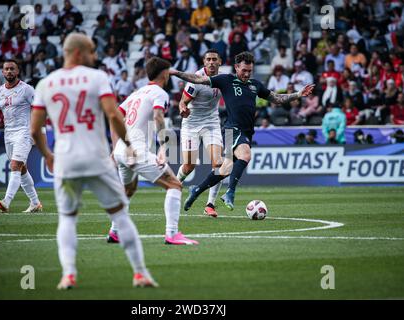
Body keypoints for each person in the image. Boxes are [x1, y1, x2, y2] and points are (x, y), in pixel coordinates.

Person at [30, 33, 157, 289]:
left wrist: (47, 155)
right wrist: (129, 145)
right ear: (78, 53)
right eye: (91, 51)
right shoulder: (97, 78)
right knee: (120, 215)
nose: (95, 56)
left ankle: (68, 275)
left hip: (66, 161)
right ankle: (140, 273)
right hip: (96, 159)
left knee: (67, 218)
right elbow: (113, 114)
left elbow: (35, 129)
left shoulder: (46, 84)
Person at [170, 51, 314, 210]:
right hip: (232, 129)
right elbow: (198, 79)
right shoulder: (226, 80)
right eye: (243, 70)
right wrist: (176, 73)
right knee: (245, 155)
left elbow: (277, 98)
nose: (246, 74)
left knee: (224, 168)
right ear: (236, 67)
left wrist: (298, 94)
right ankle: (230, 193)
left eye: (249, 71)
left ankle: (196, 190)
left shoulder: (255, 85)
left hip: (246, 132)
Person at [108, 56, 198, 246]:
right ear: (165, 74)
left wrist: (114, 147)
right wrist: (163, 148)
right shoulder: (159, 93)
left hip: (121, 152)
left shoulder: (136, 93)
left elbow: (114, 117)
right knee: (174, 185)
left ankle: (115, 232)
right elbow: (158, 116)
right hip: (136, 150)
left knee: (128, 189)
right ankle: (172, 234)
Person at [0, 60, 43, 213]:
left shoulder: (27, 90)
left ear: (18, 71)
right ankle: (35, 203)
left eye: (12, 69)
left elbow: (39, 109)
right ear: (2, 72)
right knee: (21, 169)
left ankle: (6, 201)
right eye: (6, 69)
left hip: (25, 131)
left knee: (15, 165)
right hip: (8, 134)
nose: (9, 71)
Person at [176, 49, 224, 218]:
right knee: (189, 165)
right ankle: (175, 186)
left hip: (211, 123)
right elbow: (183, 101)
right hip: (191, 124)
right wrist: (183, 109)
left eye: (214, 59)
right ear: (204, 63)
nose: (211, 62)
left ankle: (210, 204)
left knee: (218, 164)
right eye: (208, 59)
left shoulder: (222, 79)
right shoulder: (196, 79)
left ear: (220, 62)